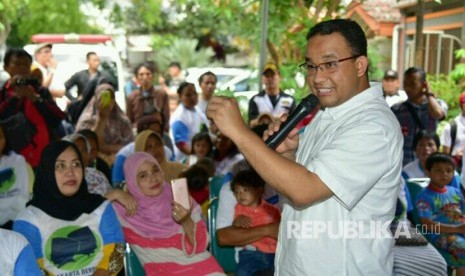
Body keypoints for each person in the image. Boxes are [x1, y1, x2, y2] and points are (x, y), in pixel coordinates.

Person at [206, 19, 403, 274]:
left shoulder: (374, 126)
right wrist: (287, 156)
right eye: (311, 66)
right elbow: (295, 188)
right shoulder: (327, 113)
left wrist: (240, 132)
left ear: (360, 65)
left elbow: (305, 190)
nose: (317, 77)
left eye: (330, 65)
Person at [13, 141, 124, 275]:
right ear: (47, 171)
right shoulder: (28, 219)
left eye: (76, 164)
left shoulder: (100, 207)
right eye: (60, 166)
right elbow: (31, 268)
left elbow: (116, 249)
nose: (70, 172)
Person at [113, 152, 224, 274]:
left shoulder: (178, 197)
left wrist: (186, 220)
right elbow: (92, 215)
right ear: (132, 181)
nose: (153, 178)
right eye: (143, 175)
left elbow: (202, 245)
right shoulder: (124, 212)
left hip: (204, 269)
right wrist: (115, 194)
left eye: (155, 170)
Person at [0, 48, 65, 167]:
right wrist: (15, 98)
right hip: (10, 159)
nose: (22, 68)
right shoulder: (3, 93)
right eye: (17, 64)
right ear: (6, 67)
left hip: (42, 157)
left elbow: (57, 117)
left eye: (26, 64)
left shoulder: (40, 91)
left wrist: (35, 99)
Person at [416, 153, 465, 275]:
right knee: (462, 250)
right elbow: (428, 225)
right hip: (439, 236)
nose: (444, 174)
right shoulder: (425, 197)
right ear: (427, 172)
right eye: (439, 170)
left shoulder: (455, 192)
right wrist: (457, 229)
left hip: (460, 231)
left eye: (449, 170)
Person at [391, 67, 447, 166]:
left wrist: (429, 93)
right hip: (404, 165)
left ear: (423, 84)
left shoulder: (437, 104)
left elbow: (438, 114)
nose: (407, 88)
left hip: (429, 167)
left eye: (412, 84)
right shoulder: (397, 109)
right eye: (405, 84)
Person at [230, 170, 281, 276]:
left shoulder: (272, 210)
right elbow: (235, 230)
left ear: (259, 190)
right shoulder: (240, 209)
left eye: (245, 190)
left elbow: (280, 230)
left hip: (274, 253)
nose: (241, 195)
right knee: (242, 273)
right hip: (251, 253)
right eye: (237, 192)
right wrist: (236, 222)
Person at [76, 82, 134, 164]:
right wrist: (102, 118)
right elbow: (88, 145)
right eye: (103, 97)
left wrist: (105, 148)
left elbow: (130, 147)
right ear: (96, 99)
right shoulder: (86, 120)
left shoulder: (123, 121)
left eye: (111, 97)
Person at [0, 123, 31, 230]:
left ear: (5, 138)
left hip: (14, 219)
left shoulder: (17, 161)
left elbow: (24, 194)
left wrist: (9, 216)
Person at [170, 82, 210, 161]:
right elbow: (181, 143)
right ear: (180, 96)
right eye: (188, 95)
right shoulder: (180, 117)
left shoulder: (196, 110)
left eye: (195, 93)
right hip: (186, 159)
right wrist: (196, 155)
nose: (193, 97)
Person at [247, 61, 296, 126]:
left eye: (272, 75)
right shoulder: (255, 100)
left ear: (279, 77)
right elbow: (251, 123)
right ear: (262, 79)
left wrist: (272, 119)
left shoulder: (290, 100)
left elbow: (295, 121)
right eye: (267, 76)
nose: (269, 79)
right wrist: (261, 120)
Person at [126, 62, 170, 131]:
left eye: (148, 74)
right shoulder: (132, 97)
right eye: (141, 75)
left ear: (153, 76)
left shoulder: (161, 94)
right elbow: (129, 120)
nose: (145, 77)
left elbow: (166, 118)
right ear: (137, 78)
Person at [441, 91, 465, 172]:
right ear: (462, 105)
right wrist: (456, 155)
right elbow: (445, 155)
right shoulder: (451, 126)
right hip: (457, 169)